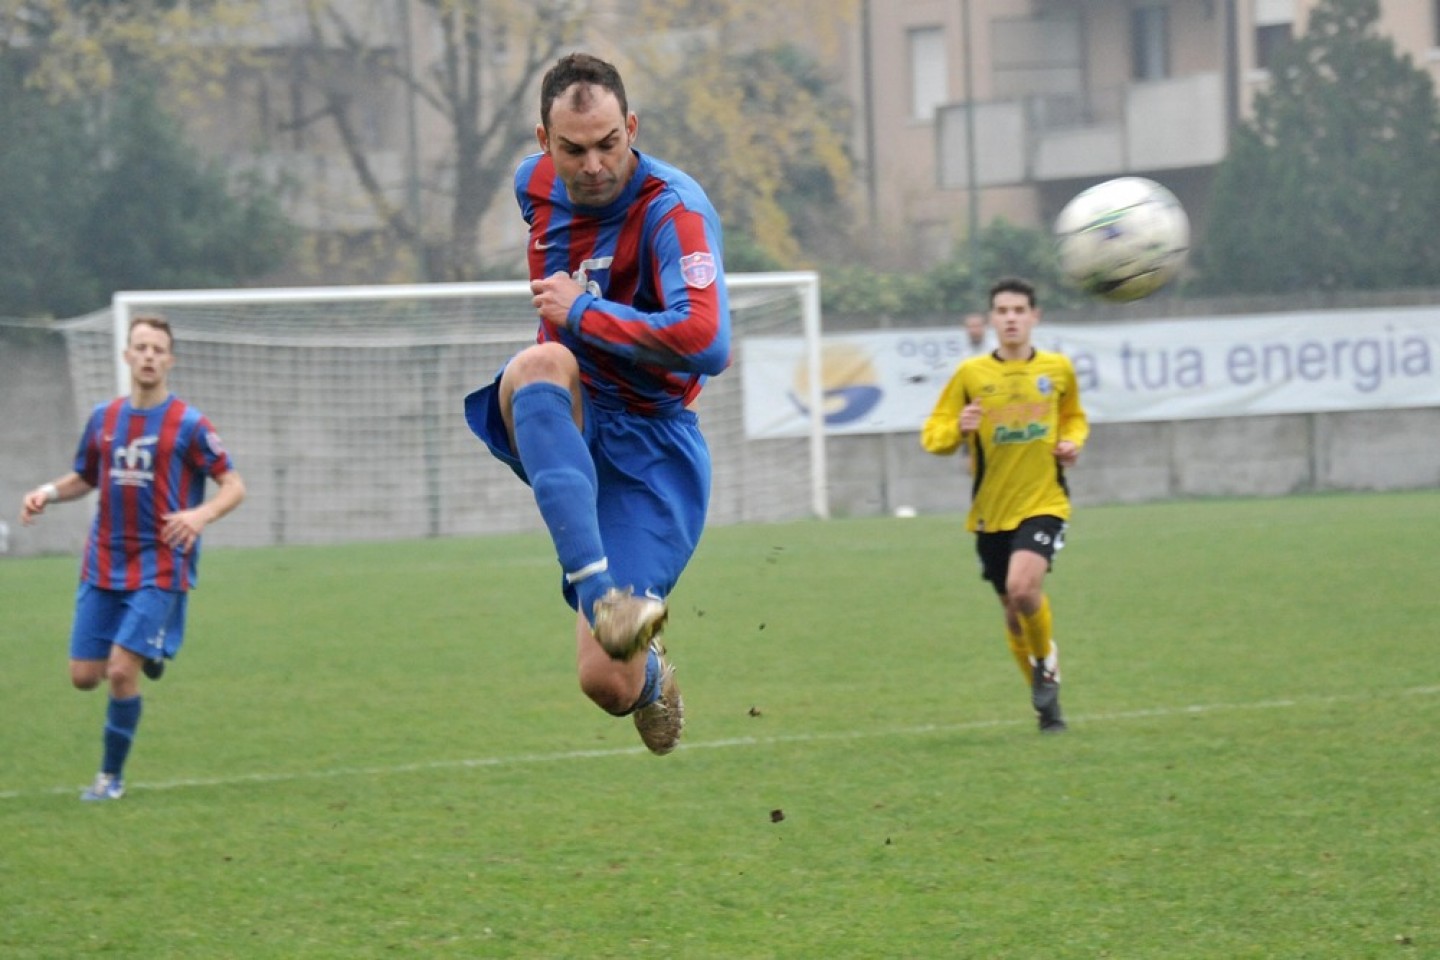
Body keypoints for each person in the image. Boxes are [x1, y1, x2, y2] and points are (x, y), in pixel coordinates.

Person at [463, 52, 730, 755]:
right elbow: (559, 344)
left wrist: (584, 313)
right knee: (541, 362)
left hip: (654, 447)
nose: (593, 165)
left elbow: (707, 341)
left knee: (605, 685)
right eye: (574, 149)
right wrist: (571, 332)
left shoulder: (675, 211)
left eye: (610, 143)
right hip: (571, 409)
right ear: (544, 142)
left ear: (632, 127)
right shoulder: (533, 185)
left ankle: (649, 673)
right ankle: (601, 594)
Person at [19, 315, 246, 800]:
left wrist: (200, 515)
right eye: (140, 347)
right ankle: (155, 647)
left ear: (169, 360)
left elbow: (234, 484)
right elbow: (85, 476)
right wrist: (45, 492)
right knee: (84, 677)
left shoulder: (189, 424)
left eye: (157, 349)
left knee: (121, 671)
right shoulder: (104, 418)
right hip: (103, 562)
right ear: (126, 356)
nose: (148, 356)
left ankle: (110, 778)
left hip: (162, 563)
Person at [921, 278, 1089, 733]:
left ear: (1035, 317)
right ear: (992, 319)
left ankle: (1045, 670)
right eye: (1002, 310)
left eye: (1019, 310)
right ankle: (1046, 702)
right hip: (990, 513)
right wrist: (959, 426)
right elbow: (932, 437)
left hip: (1045, 501)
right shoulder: (971, 375)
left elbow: (1074, 416)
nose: (1011, 318)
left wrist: (1072, 442)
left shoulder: (1057, 370)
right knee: (1014, 615)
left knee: (1023, 589)